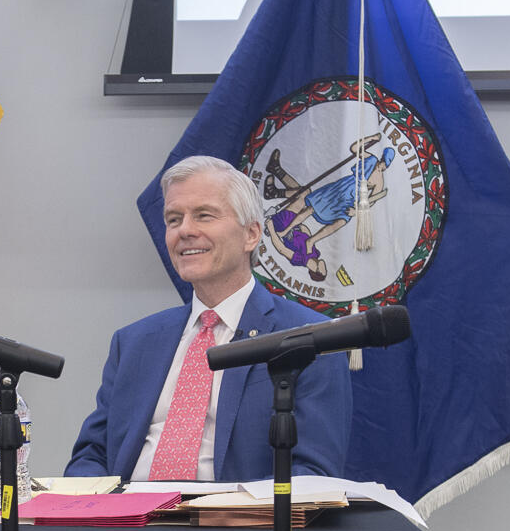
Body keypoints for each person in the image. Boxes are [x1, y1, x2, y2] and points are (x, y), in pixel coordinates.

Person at [66, 155, 352, 482]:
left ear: (251, 235)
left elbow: (314, 475)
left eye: (204, 215)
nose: (185, 231)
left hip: (236, 526)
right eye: (173, 220)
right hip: (127, 521)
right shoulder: (133, 342)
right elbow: (91, 455)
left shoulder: (309, 339)